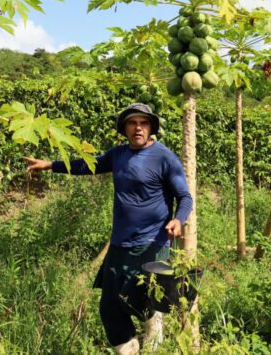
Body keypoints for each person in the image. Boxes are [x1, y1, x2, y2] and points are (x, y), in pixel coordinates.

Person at [25, 103, 193, 355]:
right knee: (110, 306)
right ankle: (129, 348)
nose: (138, 128)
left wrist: (178, 219)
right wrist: (50, 164)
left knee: (145, 298)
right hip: (119, 243)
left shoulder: (164, 157)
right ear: (125, 128)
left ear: (151, 128)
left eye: (143, 123)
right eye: (132, 123)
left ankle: (155, 342)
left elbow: (185, 197)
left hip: (152, 243)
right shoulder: (117, 154)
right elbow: (86, 165)